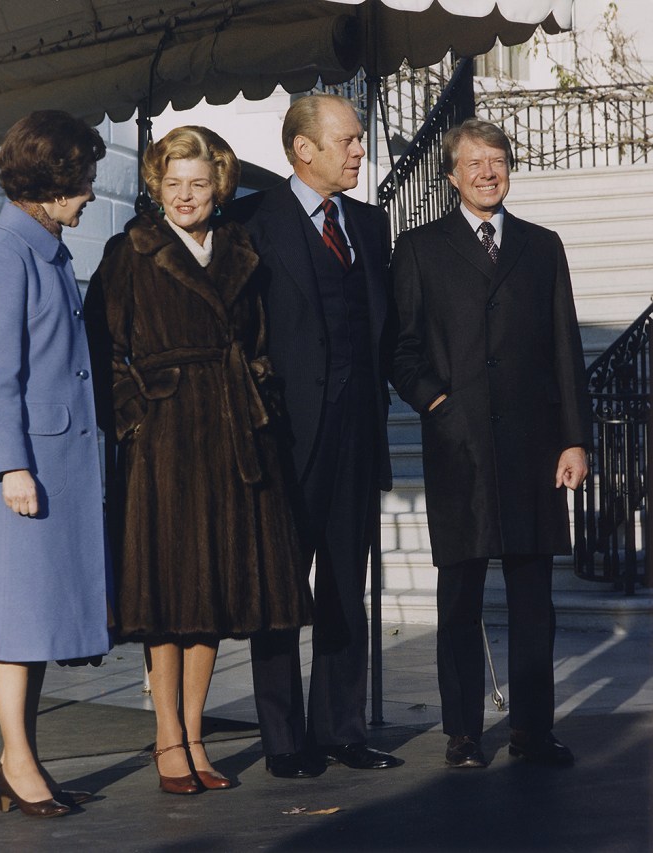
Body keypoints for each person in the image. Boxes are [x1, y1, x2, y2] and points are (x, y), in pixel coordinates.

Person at [84, 125, 313, 795]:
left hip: (235, 434)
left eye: (200, 183)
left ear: (220, 185)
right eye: (174, 183)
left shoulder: (241, 248)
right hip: (164, 443)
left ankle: (196, 734)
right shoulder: (129, 250)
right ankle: (167, 739)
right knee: (168, 595)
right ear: (156, 186)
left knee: (212, 593)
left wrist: (259, 398)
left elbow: (261, 341)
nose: (186, 196)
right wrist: (135, 414)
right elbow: (101, 349)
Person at [390, 117, 592, 768]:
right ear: (450, 174)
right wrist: (436, 402)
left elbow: (565, 348)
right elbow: (401, 348)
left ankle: (534, 729)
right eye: (473, 161)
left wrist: (575, 440)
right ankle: (464, 733)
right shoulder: (420, 249)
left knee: (535, 598)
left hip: (536, 449)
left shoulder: (543, 245)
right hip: (461, 446)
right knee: (460, 598)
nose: (487, 171)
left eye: (497, 159)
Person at [233, 93, 399, 778]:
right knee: (279, 586)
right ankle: (283, 740)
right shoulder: (251, 223)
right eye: (348, 141)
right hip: (284, 435)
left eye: (359, 139)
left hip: (357, 430)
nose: (359, 151)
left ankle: (342, 729)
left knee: (344, 585)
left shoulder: (368, 222)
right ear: (304, 149)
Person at [0, 110, 110, 817]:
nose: (89, 191)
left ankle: (19, 762)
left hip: (52, 461)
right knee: (15, 620)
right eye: (83, 178)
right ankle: (17, 762)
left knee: (30, 621)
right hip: (24, 471)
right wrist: (11, 468)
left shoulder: (45, 246)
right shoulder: (8, 255)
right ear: (53, 182)